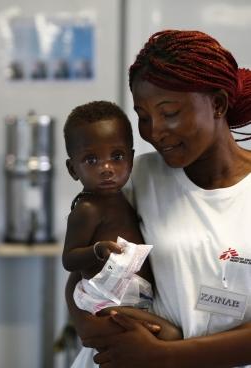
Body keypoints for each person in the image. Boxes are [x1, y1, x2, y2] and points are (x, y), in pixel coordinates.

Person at [65, 29, 251, 367]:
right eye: (143, 116)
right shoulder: (135, 177)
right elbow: (80, 285)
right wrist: (105, 331)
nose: (154, 132)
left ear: (219, 104)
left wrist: (166, 354)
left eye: (170, 112)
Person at [63, 101, 182, 367]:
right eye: (92, 160)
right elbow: (68, 260)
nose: (106, 167)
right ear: (73, 169)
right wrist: (97, 251)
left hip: (129, 296)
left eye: (116, 157)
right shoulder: (87, 209)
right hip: (104, 299)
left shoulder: (128, 193)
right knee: (171, 335)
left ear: (130, 157)